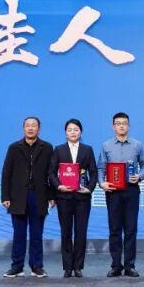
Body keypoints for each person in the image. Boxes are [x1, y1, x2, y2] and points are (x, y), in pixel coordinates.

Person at [97, 111, 144, 277]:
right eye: (118, 123)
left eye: (124, 123)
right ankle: (115, 265)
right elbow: (101, 167)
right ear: (113, 126)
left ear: (129, 126)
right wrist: (102, 183)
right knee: (114, 229)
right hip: (113, 191)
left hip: (131, 189)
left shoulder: (137, 145)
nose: (121, 126)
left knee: (130, 229)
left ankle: (129, 265)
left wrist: (139, 176)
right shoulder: (106, 145)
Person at [0, 116, 54, 278]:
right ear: (23, 128)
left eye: (34, 125)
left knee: (37, 234)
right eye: (27, 126)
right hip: (18, 197)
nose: (30, 128)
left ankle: (37, 266)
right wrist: (5, 196)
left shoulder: (47, 147)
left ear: (39, 129)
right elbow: (6, 173)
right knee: (19, 234)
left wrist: (52, 196)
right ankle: (17, 267)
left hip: (39, 196)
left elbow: (51, 174)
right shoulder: (14, 148)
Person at [48, 118, 98, 278]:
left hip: (82, 197)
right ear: (65, 133)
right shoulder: (58, 149)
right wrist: (58, 186)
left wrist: (89, 188)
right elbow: (51, 172)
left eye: (76, 130)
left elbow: (94, 172)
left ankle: (78, 267)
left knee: (81, 232)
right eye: (70, 130)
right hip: (64, 197)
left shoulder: (87, 150)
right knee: (66, 232)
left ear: (81, 133)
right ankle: (67, 267)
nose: (73, 132)